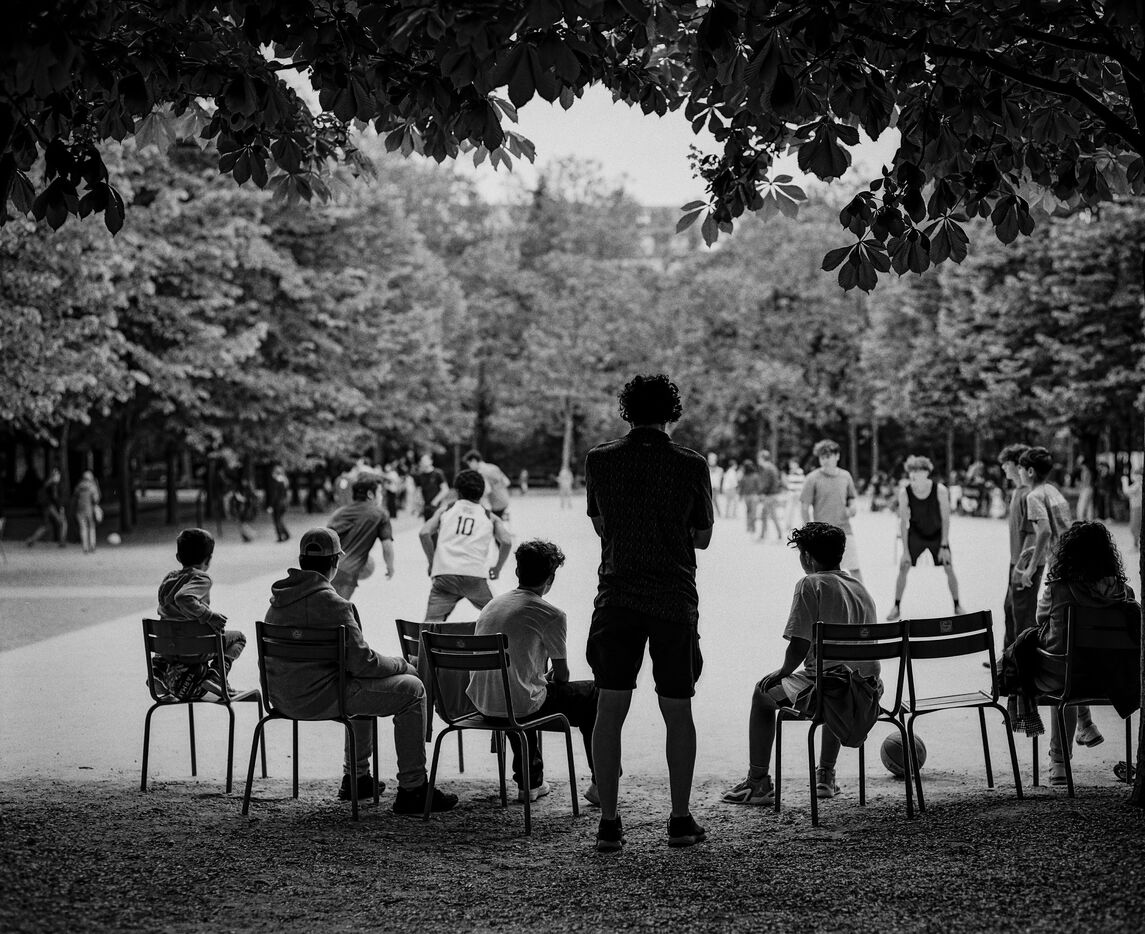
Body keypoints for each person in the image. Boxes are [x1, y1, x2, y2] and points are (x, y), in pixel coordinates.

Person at [585, 373, 714, 852]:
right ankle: (679, 819)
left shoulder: (600, 459)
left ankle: (609, 823)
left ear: (627, 410)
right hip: (672, 598)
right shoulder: (691, 464)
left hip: (617, 595)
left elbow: (601, 525)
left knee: (609, 709)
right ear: (670, 412)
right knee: (677, 709)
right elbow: (703, 536)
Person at [264, 527, 459, 812]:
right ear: (335, 562)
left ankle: (357, 778)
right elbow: (364, 663)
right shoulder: (335, 606)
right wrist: (402, 664)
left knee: (361, 682)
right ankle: (413, 788)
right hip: (323, 698)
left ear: (302, 561)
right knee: (413, 690)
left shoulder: (277, 604)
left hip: (282, 698)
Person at [722, 523, 880, 806]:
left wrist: (782, 672)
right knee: (836, 676)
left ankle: (758, 783)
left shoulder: (810, 584)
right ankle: (825, 776)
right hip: (864, 692)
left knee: (762, 694)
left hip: (830, 692)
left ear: (807, 557)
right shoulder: (861, 589)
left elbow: (799, 644)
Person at [467, 539, 600, 805]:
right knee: (594, 694)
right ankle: (601, 782)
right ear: (550, 579)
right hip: (519, 705)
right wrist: (547, 678)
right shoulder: (551, 614)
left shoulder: (492, 605)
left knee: (520, 690)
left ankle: (529, 782)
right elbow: (562, 676)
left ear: (518, 571)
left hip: (484, 702)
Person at [1012, 523, 1138, 784]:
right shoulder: (1123, 591)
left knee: (1064, 670)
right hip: (1110, 681)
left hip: (1067, 676)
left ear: (1069, 553)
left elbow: (1040, 618)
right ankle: (1085, 724)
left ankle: (1059, 762)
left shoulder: (1059, 588)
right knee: (1079, 663)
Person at [151, 528, 245, 701]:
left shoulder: (169, 578)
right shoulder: (201, 578)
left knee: (168, 628)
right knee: (239, 638)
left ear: (178, 557)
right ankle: (216, 676)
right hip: (195, 649)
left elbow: (164, 604)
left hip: (168, 649)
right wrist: (208, 616)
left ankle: (158, 671)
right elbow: (183, 597)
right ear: (208, 559)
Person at [419, 469, 513, 621]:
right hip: (474, 575)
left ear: (457, 491)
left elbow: (424, 533)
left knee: (431, 624)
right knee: (499, 618)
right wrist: (497, 568)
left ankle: (429, 634)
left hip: (445, 574)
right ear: (481, 493)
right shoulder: (490, 516)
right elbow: (507, 541)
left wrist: (432, 562)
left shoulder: (446, 510)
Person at [886, 455, 962, 621]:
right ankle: (896, 606)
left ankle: (957, 605)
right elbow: (903, 522)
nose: (914, 474)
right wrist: (905, 551)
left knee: (948, 566)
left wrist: (944, 545)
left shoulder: (940, 490)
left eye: (918, 470)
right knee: (904, 567)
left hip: (937, 534)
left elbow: (946, 519)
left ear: (927, 472)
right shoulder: (905, 492)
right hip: (916, 533)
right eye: (912, 471)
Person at [801, 440, 862, 580]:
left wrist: (853, 507)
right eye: (822, 457)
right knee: (820, 574)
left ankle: (861, 594)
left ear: (837, 456)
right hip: (822, 533)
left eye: (828, 456)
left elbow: (851, 498)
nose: (825, 460)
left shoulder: (845, 476)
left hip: (844, 530)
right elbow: (804, 507)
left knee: (855, 569)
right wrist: (808, 533)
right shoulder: (812, 478)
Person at [327, 473, 394, 600]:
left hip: (326, 569)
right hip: (348, 570)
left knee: (327, 606)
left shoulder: (339, 513)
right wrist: (390, 566)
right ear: (370, 494)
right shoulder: (380, 514)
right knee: (338, 607)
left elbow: (325, 539)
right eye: (380, 492)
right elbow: (387, 546)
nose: (381, 496)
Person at [999, 443, 1033, 652]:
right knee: (1010, 608)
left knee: (1020, 611)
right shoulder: (1017, 492)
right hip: (1016, 560)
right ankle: (1008, 655)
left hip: (1023, 562)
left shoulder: (1028, 494)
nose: (1004, 467)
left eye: (1007, 463)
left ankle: (1017, 657)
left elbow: (1033, 534)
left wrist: (1022, 566)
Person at [463, 449, 512, 520]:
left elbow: (487, 490)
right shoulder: (494, 467)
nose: (470, 467)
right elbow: (507, 482)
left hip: (496, 504)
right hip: (505, 500)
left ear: (474, 460)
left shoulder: (481, 472)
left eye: (469, 464)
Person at [25, 467, 66, 547]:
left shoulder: (47, 483)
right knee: (62, 522)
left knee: (46, 525)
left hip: (45, 507)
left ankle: (31, 540)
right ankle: (62, 541)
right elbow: (55, 497)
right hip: (51, 507)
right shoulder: (54, 484)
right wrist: (60, 507)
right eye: (57, 475)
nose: (58, 477)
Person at [756, 450, 785, 541]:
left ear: (762, 458)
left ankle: (769, 535)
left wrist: (762, 493)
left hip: (769, 495)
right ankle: (765, 535)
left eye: (759, 458)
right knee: (767, 514)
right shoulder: (772, 467)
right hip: (773, 494)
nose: (758, 460)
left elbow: (766, 483)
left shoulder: (766, 468)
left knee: (770, 515)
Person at [72, 469, 101, 554]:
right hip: (89, 510)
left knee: (83, 528)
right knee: (91, 527)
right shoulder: (92, 487)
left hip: (79, 510)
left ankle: (85, 547)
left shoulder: (78, 486)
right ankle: (92, 545)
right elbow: (96, 499)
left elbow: (74, 498)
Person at [413, 453, 449, 521]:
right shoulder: (420, 476)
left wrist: (435, 501)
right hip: (426, 507)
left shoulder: (438, 473)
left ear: (431, 461)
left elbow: (445, 489)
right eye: (422, 461)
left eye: (425, 460)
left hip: (438, 506)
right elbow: (418, 491)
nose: (424, 462)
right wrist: (419, 503)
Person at [268, 465, 290, 542]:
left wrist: (271, 506)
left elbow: (275, 495)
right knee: (280, 519)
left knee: (277, 520)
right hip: (284, 503)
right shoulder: (285, 481)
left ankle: (280, 536)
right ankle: (286, 534)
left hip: (278, 504)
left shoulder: (277, 482)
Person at [739, 460, 762, 534]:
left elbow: (741, 487)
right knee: (753, 512)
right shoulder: (755, 475)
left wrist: (740, 496)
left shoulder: (744, 476)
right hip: (754, 496)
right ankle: (753, 527)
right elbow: (758, 487)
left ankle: (749, 527)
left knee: (748, 511)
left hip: (747, 496)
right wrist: (760, 495)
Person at [1123, 467, 1142, 551]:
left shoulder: (1138, 484)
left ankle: (1136, 545)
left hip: (1138, 508)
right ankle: (1136, 545)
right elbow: (1129, 494)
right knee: (1135, 527)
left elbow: (1126, 491)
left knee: (1134, 527)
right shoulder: (1137, 484)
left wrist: (1124, 481)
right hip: (1135, 508)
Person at [783, 458, 805, 530]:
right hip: (792, 494)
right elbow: (789, 484)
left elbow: (801, 483)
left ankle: (802, 524)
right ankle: (788, 525)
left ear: (796, 464)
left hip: (797, 494)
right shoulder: (791, 472)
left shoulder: (799, 472)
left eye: (792, 464)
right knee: (789, 510)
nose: (791, 465)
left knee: (799, 510)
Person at [1074, 457, 1095, 522]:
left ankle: (1080, 519)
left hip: (1086, 489)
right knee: (1089, 505)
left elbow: (1085, 483)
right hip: (1090, 489)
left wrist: (1078, 484)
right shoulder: (1089, 471)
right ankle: (1090, 519)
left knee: (1081, 504)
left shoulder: (1085, 471)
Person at [707, 452, 724, 517]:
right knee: (711, 500)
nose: (711, 461)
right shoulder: (707, 469)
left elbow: (721, 480)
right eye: (710, 459)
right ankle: (716, 513)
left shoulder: (720, 470)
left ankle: (715, 513)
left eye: (712, 459)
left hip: (715, 487)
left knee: (713, 500)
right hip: (709, 487)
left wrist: (721, 488)